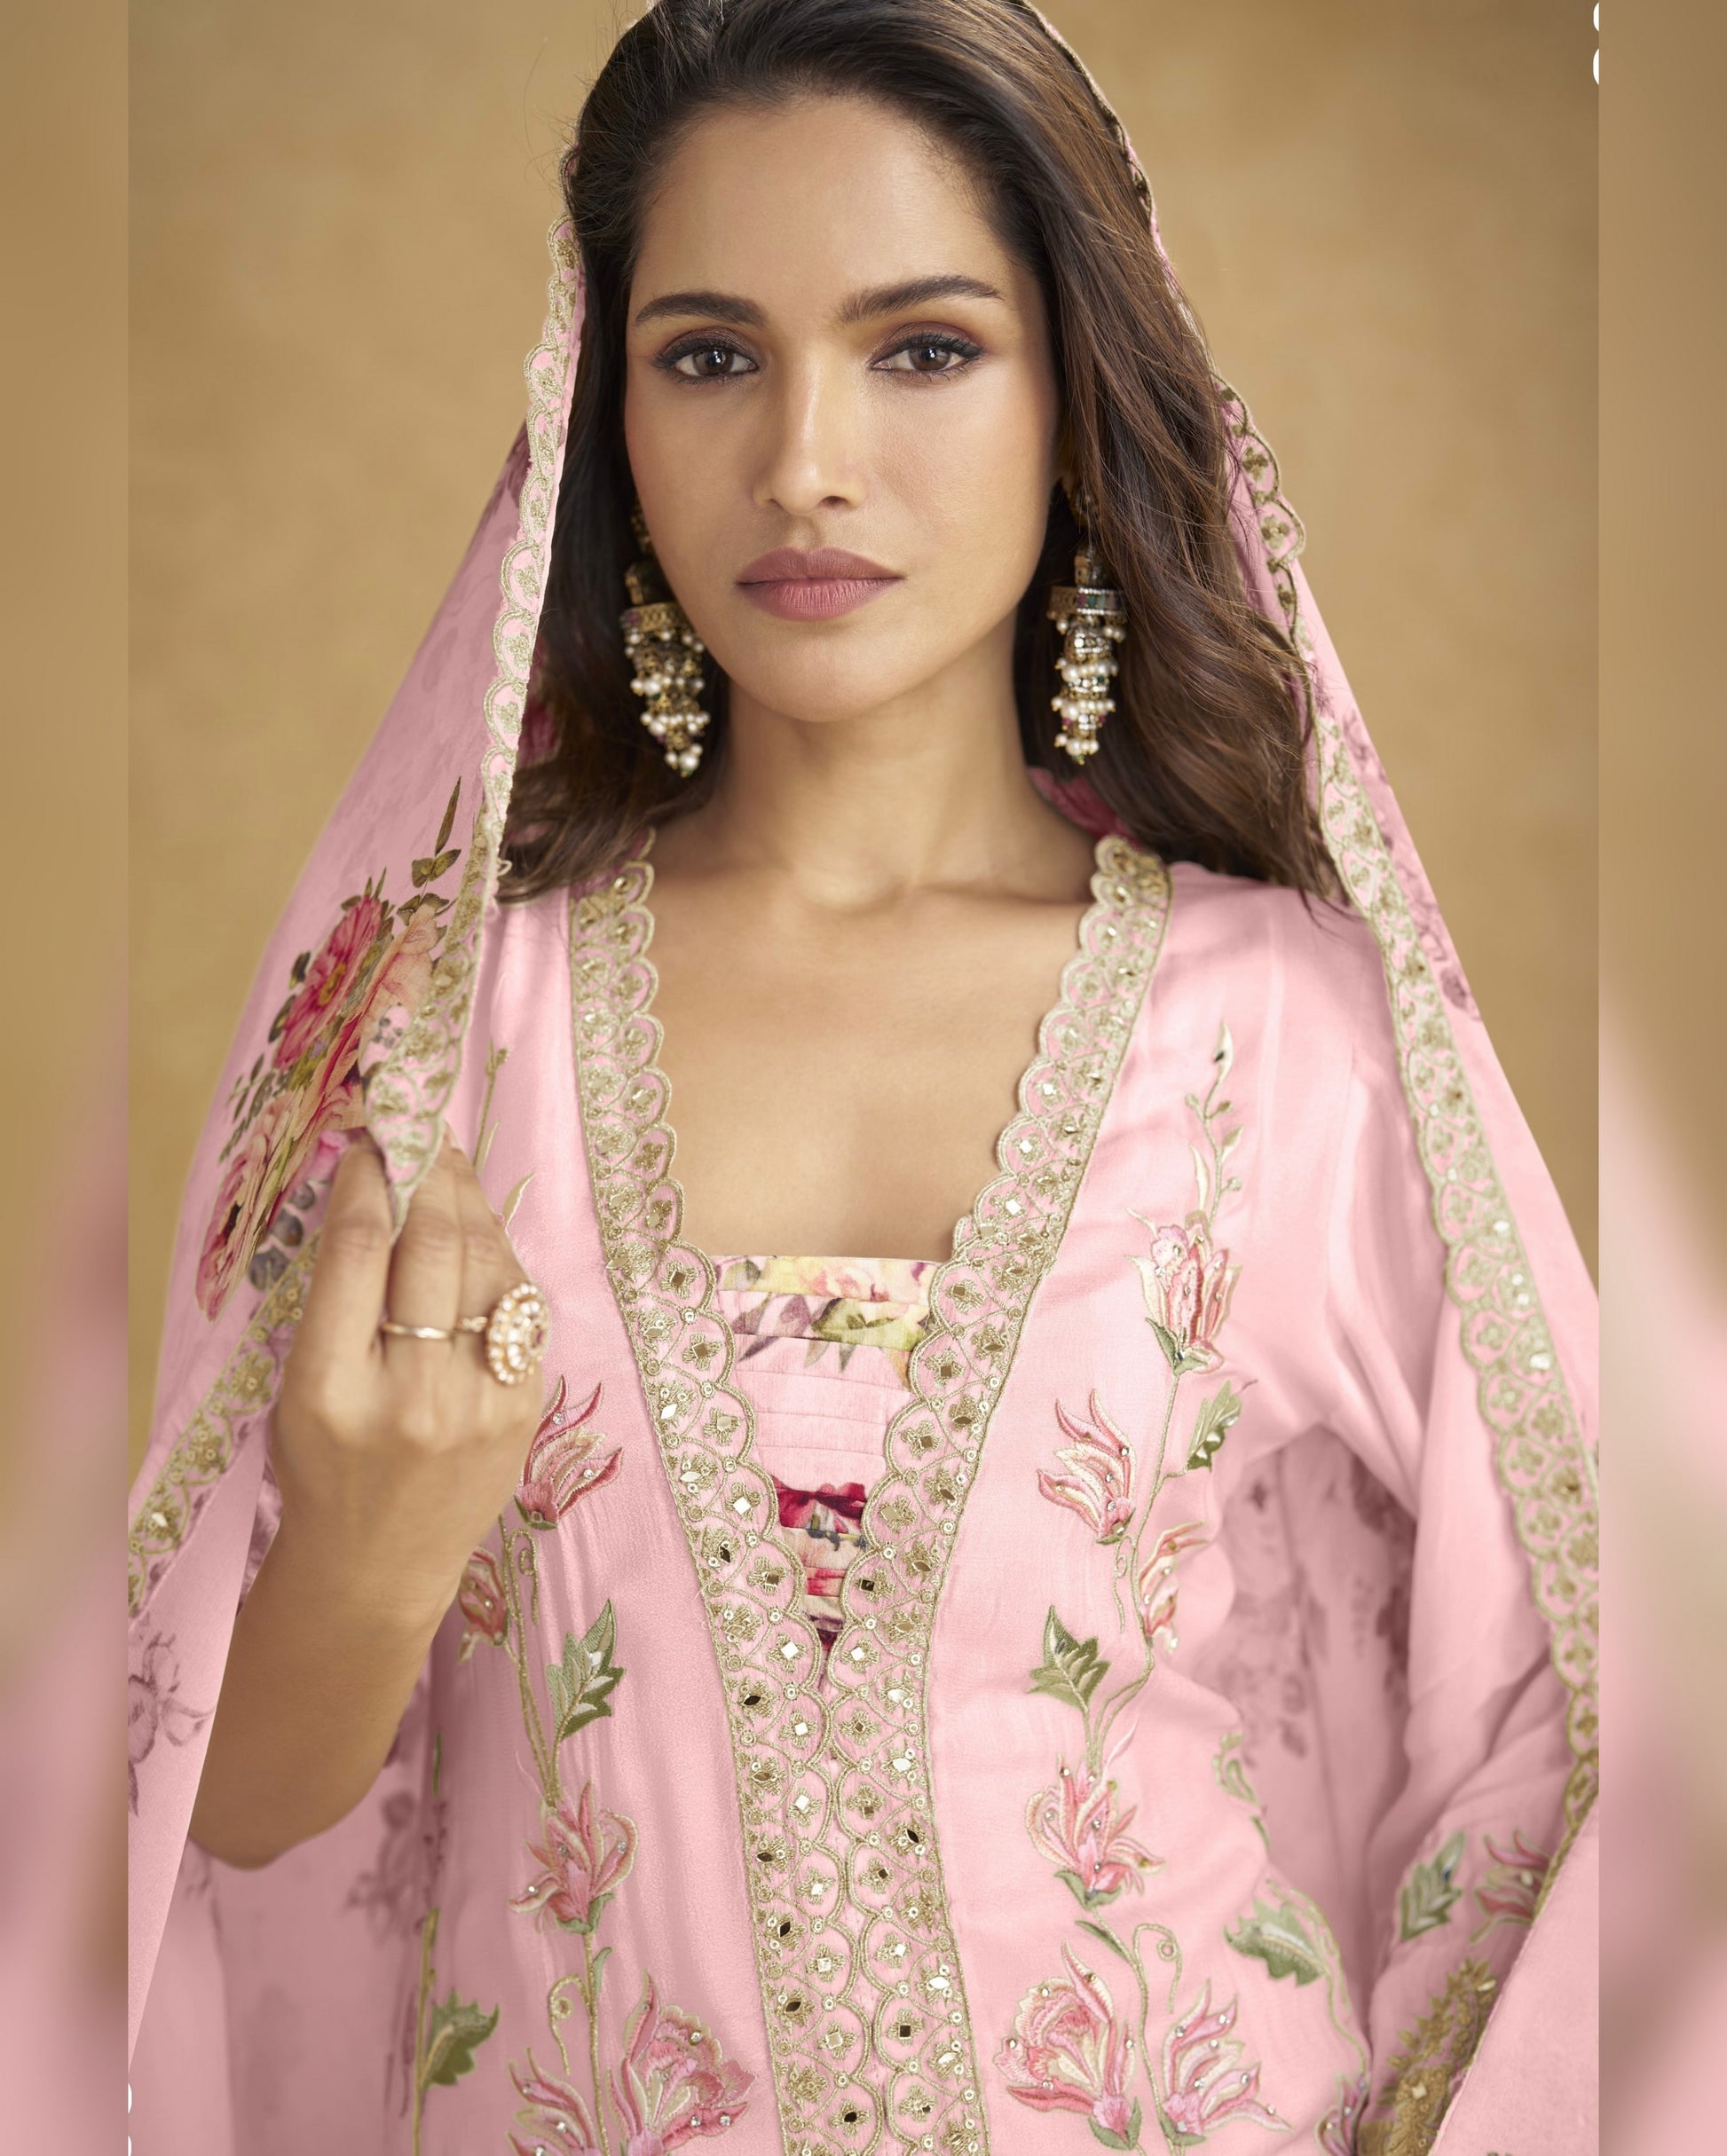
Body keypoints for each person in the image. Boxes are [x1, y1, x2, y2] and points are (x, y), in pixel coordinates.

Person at [126, 4, 1598, 2152]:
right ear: (602, 413)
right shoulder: (452, 1040)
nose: (805, 459)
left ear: (1075, 403)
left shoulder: (1287, 1036)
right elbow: (189, 1816)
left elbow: (1579, 1724)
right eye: (710, 354)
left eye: (922, 348)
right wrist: (361, 1564)